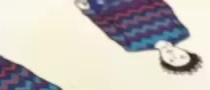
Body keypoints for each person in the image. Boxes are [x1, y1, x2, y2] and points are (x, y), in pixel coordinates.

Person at [75, 0, 203, 75]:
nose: (173, 55)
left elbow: (108, 28)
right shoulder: (180, 32)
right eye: (182, 56)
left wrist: (88, 11)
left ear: (163, 60)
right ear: (186, 52)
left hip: (103, 5)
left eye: (172, 60)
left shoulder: (133, 46)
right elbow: (164, 7)